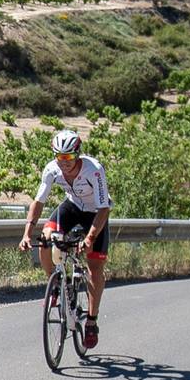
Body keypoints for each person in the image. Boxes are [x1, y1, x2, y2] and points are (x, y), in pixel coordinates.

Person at [18, 129, 113, 350]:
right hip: (71, 207)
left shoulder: (94, 170)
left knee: (95, 267)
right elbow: (38, 202)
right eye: (60, 157)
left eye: (69, 157)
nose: (64, 162)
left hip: (96, 213)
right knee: (45, 238)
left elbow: (103, 208)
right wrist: (26, 233)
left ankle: (91, 320)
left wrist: (90, 238)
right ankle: (55, 285)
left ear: (77, 154)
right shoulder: (52, 170)